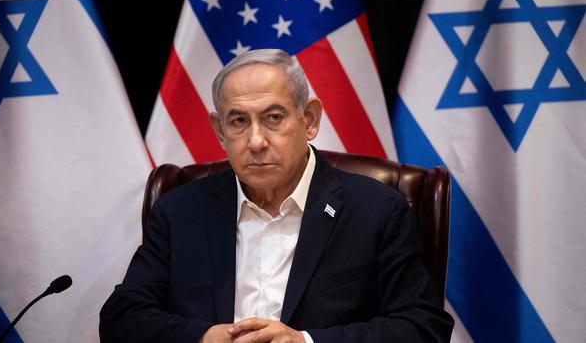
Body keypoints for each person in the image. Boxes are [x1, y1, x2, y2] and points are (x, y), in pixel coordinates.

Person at [99, 49, 454, 342]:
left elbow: (422, 327)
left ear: (310, 120)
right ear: (219, 131)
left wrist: (305, 342)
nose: (256, 141)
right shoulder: (180, 211)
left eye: (273, 117)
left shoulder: (377, 209)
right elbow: (122, 318)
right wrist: (204, 338)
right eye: (238, 121)